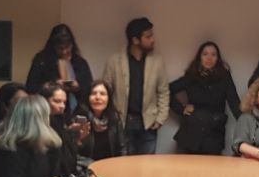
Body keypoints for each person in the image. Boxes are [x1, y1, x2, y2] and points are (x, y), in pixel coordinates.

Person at [103, 16, 169, 155]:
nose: (153, 39)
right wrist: (110, 118)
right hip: (123, 122)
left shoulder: (157, 61)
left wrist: (160, 119)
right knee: (124, 164)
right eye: (148, 36)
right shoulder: (114, 61)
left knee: (148, 164)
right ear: (135, 40)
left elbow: (163, 91)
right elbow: (106, 91)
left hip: (148, 123)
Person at [170, 41, 240, 155]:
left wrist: (248, 126)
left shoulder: (224, 77)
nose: (209, 58)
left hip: (213, 135)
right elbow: (167, 90)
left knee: (212, 165)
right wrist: (181, 109)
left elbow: (235, 103)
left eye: (213, 54)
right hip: (191, 134)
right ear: (200, 57)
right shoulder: (192, 76)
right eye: (205, 54)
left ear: (218, 58)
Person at [25, 23, 92, 107]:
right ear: (53, 47)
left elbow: (90, 89)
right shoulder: (42, 61)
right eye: (60, 48)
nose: (64, 51)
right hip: (46, 107)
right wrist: (52, 85)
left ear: (72, 45)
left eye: (67, 47)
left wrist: (78, 87)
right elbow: (31, 87)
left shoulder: (80, 63)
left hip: (75, 108)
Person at [40, 80, 88, 175]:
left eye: (64, 102)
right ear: (44, 101)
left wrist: (73, 137)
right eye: (57, 101)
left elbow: (69, 158)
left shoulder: (62, 120)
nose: (62, 106)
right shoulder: (41, 124)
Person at [81, 79, 127, 161]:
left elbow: (122, 148)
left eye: (102, 94)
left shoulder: (114, 118)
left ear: (108, 99)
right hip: (86, 166)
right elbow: (75, 152)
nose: (98, 97)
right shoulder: (81, 119)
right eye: (93, 93)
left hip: (110, 165)